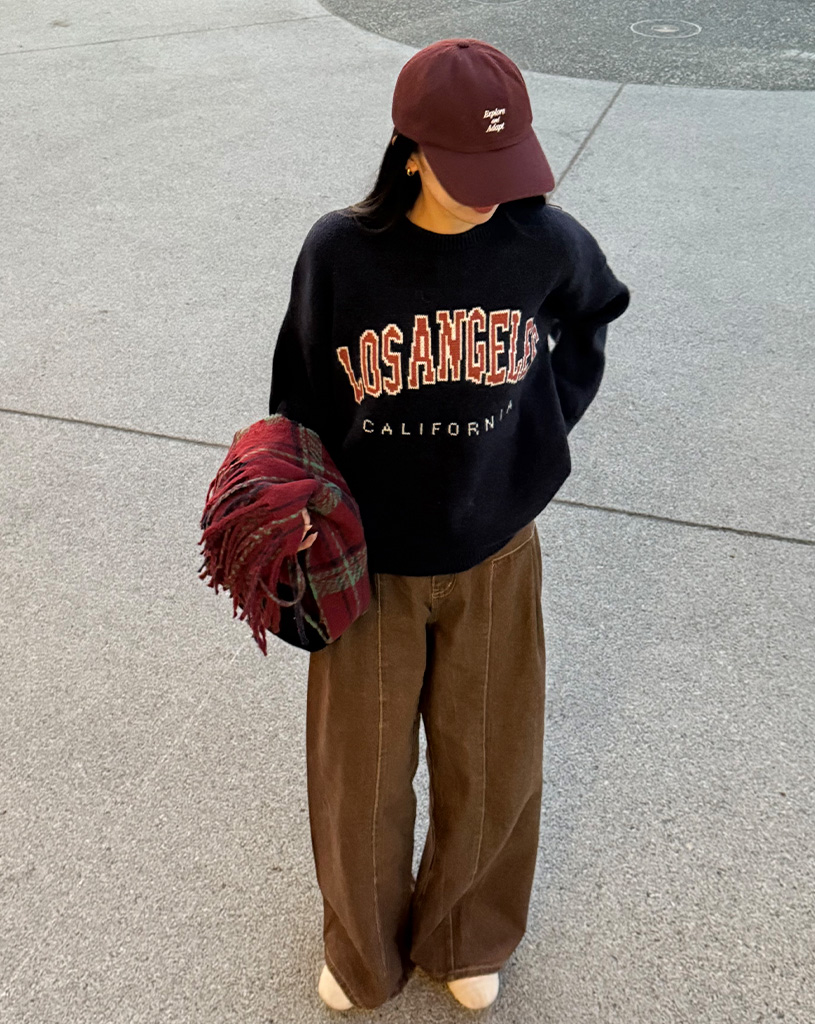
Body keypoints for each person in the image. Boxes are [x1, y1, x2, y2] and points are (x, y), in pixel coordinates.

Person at [268, 37, 630, 1012]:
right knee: (360, 776)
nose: (490, 195)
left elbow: (595, 311)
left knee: (493, 758)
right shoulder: (340, 253)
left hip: (495, 550)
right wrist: (297, 504)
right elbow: (298, 390)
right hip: (366, 563)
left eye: (505, 167)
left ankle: (467, 935)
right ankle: (362, 953)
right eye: (470, 169)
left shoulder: (542, 243)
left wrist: (545, 422)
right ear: (411, 152)